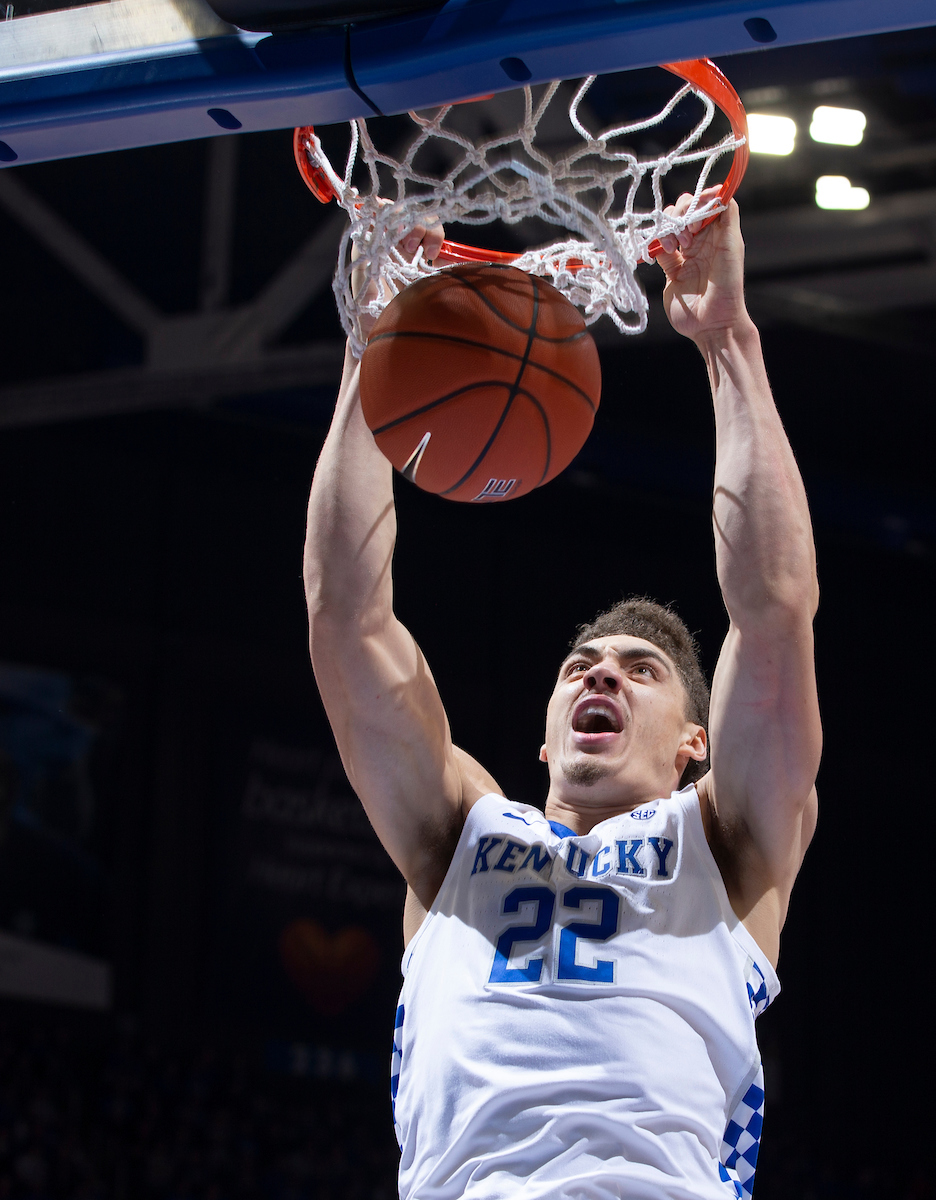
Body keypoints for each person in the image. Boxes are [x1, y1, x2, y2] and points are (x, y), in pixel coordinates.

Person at [303, 192, 820, 1200]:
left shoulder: (727, 843)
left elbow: (775, 610)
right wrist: (372, 350)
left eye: (642, 670)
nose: (601, 674)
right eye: (584, 664)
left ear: (694, 747)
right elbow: (347, 624)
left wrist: (727, 341)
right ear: (543, 742)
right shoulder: (459, 832)